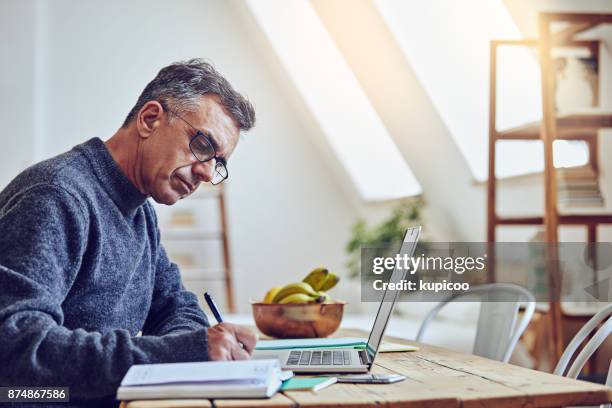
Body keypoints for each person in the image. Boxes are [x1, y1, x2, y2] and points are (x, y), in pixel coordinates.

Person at [0, 59, 258, 407]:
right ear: (150, 119)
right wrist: (178, 353)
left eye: (219, 163)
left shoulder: (140, 213)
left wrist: (185, 350)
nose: (207, 174)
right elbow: (16, 346)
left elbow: (176, 308)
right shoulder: (55, 196)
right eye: (201, 145)